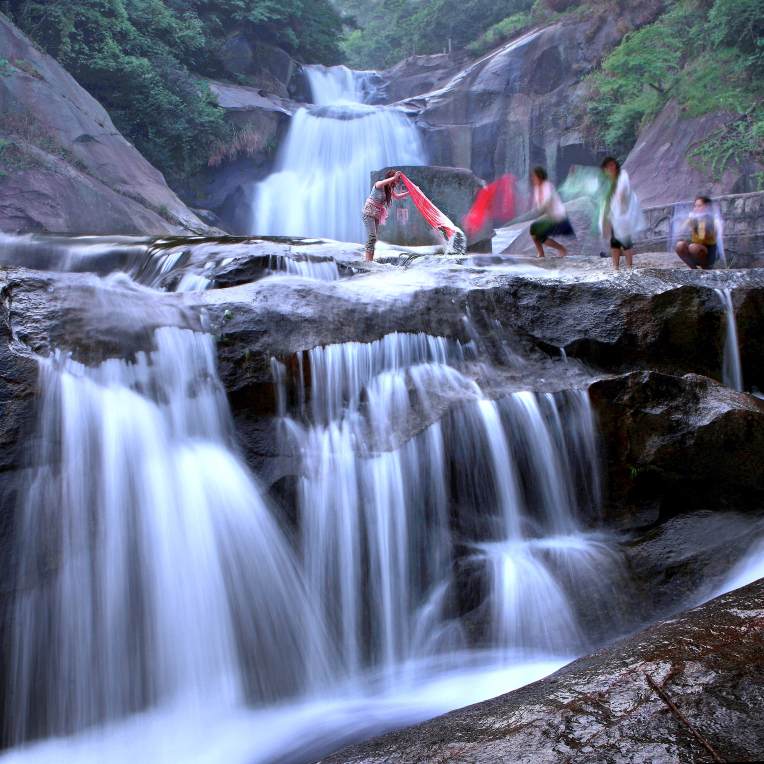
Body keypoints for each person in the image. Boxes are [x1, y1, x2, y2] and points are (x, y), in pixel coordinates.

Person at [599, 156, 643, 271]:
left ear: (616, 166)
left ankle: (629, 266)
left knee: (626, 238)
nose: (610, 168)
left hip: (625, 212)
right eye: (607, 166)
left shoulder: (622, 175)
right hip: (614, 214)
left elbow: (623, 191)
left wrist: (617, 203)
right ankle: (615, 267)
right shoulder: (606, 181)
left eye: (612, 165)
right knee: (614, 239)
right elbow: (606, 200)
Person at [362, 169, 409, 262]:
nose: (395, 182)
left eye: (396, 181)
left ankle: (370, 260)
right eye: (394, 180)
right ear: (389, 178)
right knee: (371, 237)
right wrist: (393, 178)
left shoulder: (389, 190)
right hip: (368, 213)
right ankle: (368, 261)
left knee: (373, 239)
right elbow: (382, 183)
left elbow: (397, 196)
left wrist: (409, 192)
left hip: (376, 215)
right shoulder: (379, 184)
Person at [528, 167, 575, 258]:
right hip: (549, 216)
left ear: (540, 176)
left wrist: (539, 207)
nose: (532, 179)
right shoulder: (537, 188)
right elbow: (537, 205)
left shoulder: (547, 185)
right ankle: (541, 253)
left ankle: (562, 250)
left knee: (539, 234)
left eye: (534, 177)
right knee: (533, 230)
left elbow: (546, 203)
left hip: (558, 216)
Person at [675, 196, 718, 270]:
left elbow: (704, 236)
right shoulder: (693, 219)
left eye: (699, 206)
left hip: (710, 252)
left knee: (693, 247)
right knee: (680, 245)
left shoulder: (714, 219)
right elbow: (682, 228)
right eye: (695, 206)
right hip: (695, 252)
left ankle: (706, 268)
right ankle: (694, 269)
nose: (696, 208)